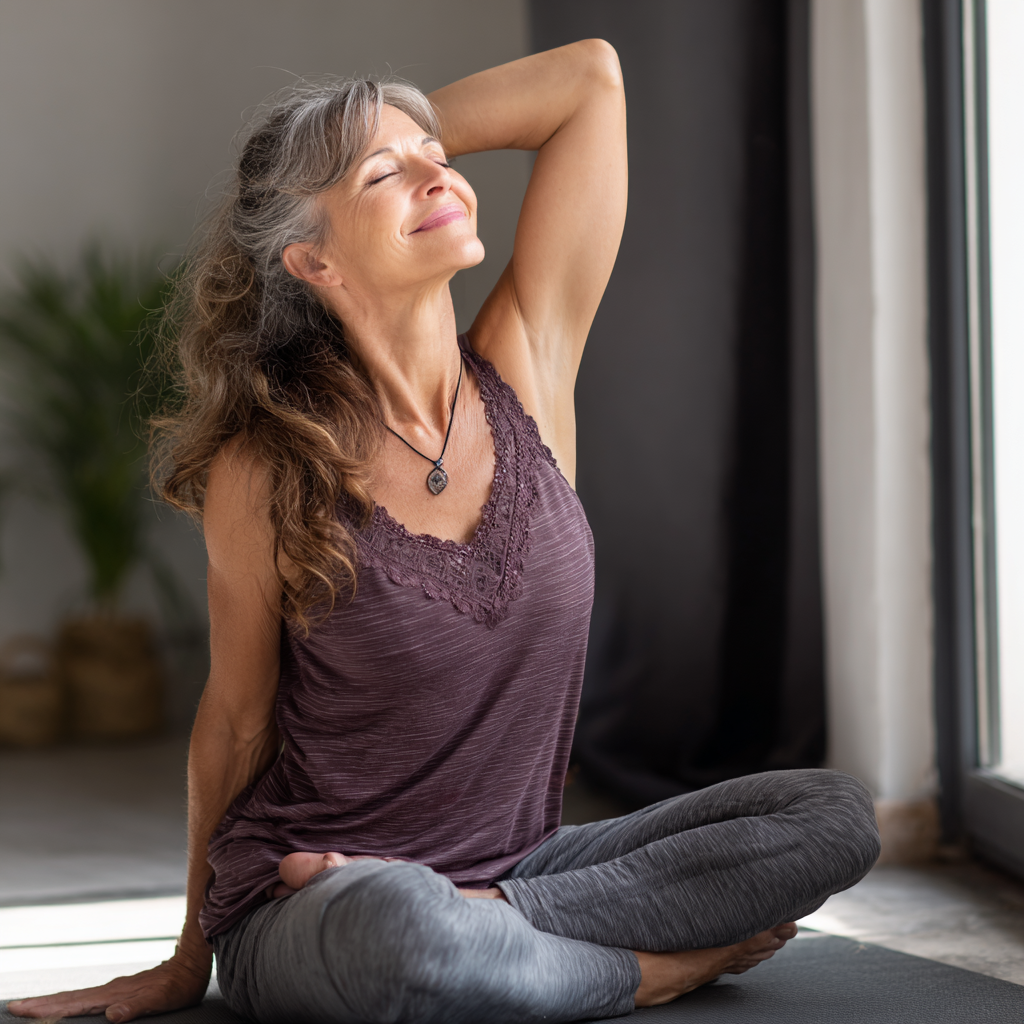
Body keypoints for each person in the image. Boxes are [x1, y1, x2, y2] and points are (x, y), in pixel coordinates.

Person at [10, 41, 880, 1024]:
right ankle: (643, 970)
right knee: (401, 928)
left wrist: (369, 135)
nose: (437, 173)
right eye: (387, 175)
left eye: (437, 154)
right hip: (323, 897)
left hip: (525, 867)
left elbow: (589, 81)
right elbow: (236, 720)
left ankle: (503, 925)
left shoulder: (526, 367)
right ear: (312, 260)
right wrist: (185, 959)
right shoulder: (269, 468)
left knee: (829, 817)